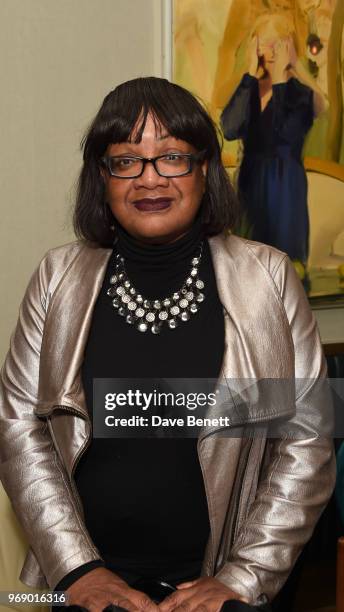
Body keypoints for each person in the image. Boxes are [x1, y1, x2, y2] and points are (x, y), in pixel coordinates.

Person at [0, 76, 335, 612]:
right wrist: (78, 571)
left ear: (205, 168)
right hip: (88, 590)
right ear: (102, 177)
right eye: (125, 160)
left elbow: (307, 443)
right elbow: (19, 427)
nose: (148, 179)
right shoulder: (57, 278)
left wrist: (243, 577)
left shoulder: (267, 278)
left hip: (225, 591)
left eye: (172, 157)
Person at [220, 13, 327, 271]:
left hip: (284, 187)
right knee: (247, 266)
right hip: (250, 183)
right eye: (264, 42)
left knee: (283, 268)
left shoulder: (302, 95)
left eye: (277, 42)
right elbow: (230, 128)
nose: (270, 50)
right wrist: (248, 73)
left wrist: (280, 81)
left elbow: (285, 134)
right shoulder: (249, 88)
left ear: (289, 47)